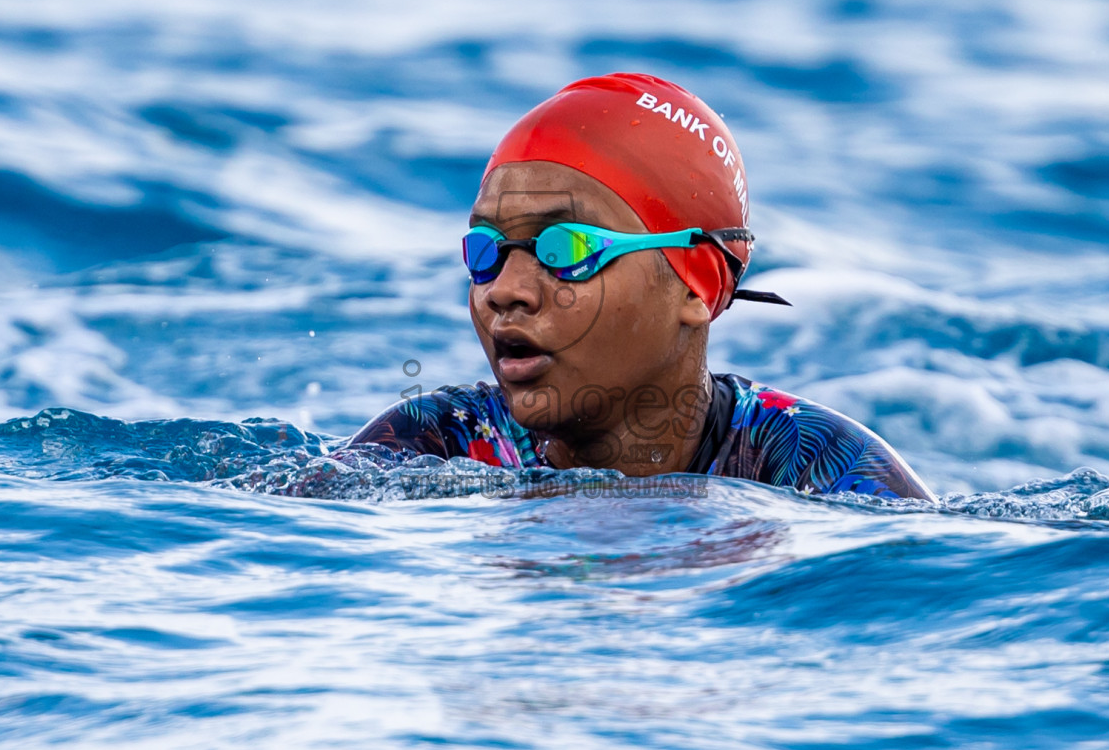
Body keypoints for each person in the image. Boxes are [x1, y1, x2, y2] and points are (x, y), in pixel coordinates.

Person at [341, 72, 933, 500]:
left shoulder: (816, 467)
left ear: (696, 285)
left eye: (566, 250)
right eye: (487, 252)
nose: (505, 290)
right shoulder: (437, 443)